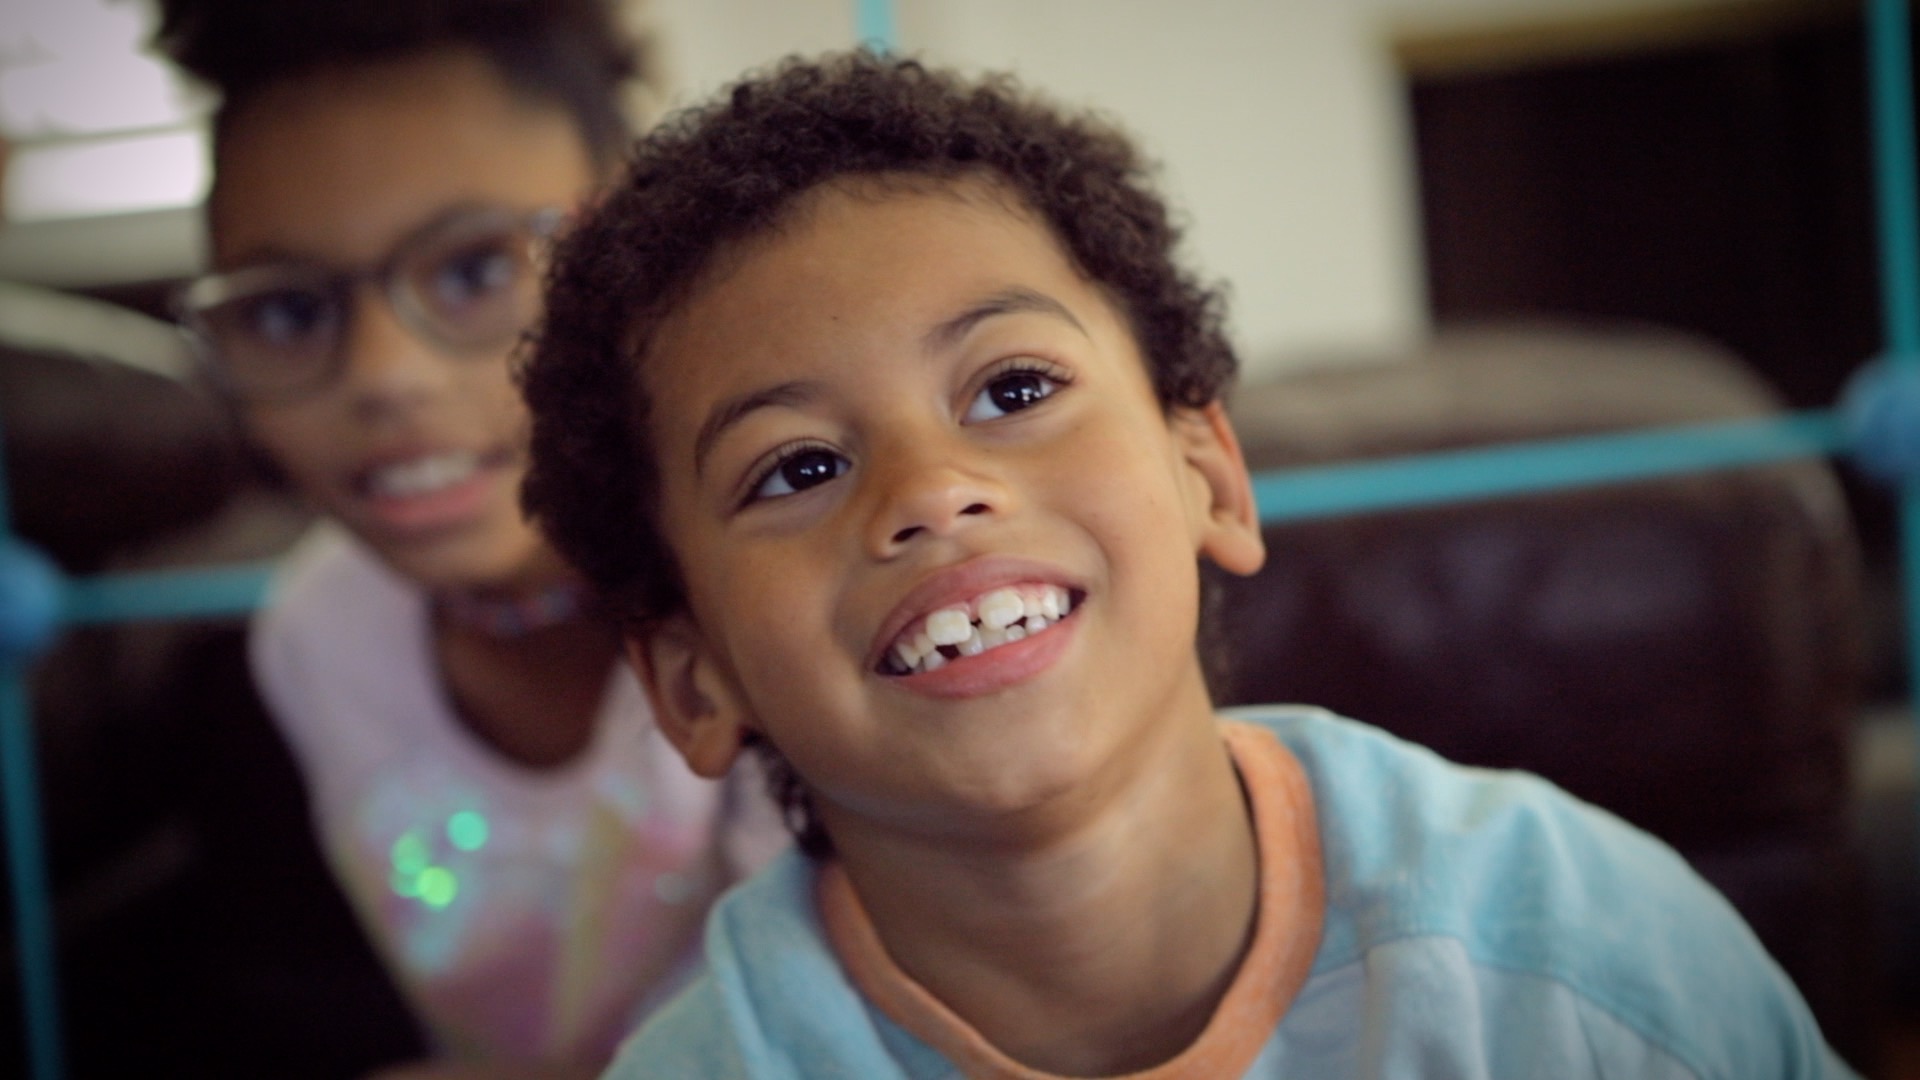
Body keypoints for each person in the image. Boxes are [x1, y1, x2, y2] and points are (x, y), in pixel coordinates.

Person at [517, 52, 1859, 1078]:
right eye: (797, 467)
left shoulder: (1573, 952)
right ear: (692, 683)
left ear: (1206, 474)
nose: (932, 493)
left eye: (1013, 385)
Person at [151, 2, 785, 1074]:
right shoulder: (307, 646)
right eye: (289, 312)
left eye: (477, 271)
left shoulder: (779, 592)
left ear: (644, 246)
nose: (383, 376)